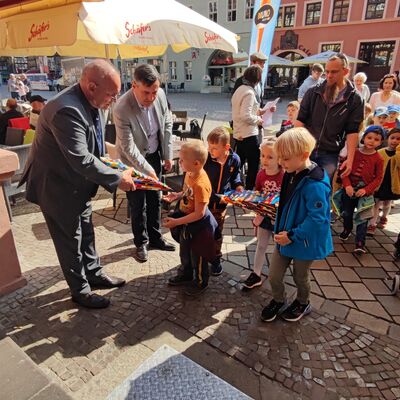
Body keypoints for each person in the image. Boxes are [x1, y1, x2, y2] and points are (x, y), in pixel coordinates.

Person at [19, 59, 136, 309]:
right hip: (57, 188)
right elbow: (81, 159)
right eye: (110, 95)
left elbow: (94, 147)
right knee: (70, 241)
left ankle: (94, 274)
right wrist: (117, 179)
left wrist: (116, 167)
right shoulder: (66, 110)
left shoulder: (92, 101)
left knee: (86, 233)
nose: (113, 101)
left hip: (76, 185)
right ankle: (80, 292)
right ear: (91, 86)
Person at [260, 127, 333, 322]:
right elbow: (287, 201)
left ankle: (303, 302)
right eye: (280, 158)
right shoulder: (291, 171)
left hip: (302, 240)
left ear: (304, 155)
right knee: (274, 276)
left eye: (285, 159)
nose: (281, 164)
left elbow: (318, 218)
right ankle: (279, 299)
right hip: (284, 236)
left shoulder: (315, 184)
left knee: (300, 277)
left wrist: (292, 235)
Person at [114, 64, 175, 262]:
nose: (151, 98)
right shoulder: (122, 108)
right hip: (132, 161)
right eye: (146, 93)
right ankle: (141, 242)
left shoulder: (160, 95)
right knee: (137, 202)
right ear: (134, 86)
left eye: (154, 92)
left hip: (154, 154)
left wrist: (167, 154)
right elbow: (129, 148)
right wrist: (148, 171)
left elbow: (167, 122)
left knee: (155, 199)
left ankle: (156, 238)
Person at [295, 53, 363, 181]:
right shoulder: (313, 91)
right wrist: (296, 147)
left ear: (346, 71)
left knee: (322, 189)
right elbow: (300, 121)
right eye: (327, 71)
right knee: (300, 187)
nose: (329, 75)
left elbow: (352, 130)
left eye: (334, 72)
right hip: (306, 150)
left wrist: (350, 159)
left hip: (330, 153)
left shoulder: (355, 98)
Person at [163, 141, 220, 296]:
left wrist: (176, 222)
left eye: (182, 160)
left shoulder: (201, 184)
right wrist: (177, 195)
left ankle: (201, 282)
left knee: (198, 255)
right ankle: (186, 274)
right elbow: (187, 192)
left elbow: (199, 213)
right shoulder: (189, 172)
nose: (179, 162)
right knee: (185, 250)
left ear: (196, 163)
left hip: (199, 225)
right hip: (187, 220)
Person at [334, 125, 384, 254]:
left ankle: (360, 242)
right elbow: (344, 170)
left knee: (363, 217)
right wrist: (347, 185)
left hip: (365, 194)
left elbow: (378, 178)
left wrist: (367, 190)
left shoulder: (379, 159)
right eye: (369, 137)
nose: (372, 141)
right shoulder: (353, 153)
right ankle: (347, 228)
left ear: (381, 141)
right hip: (349, 190)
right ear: (364, 138)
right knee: (347, 213)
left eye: (376, 139)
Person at [243, 137, 284, 289]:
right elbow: (258, 192)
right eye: (263, 156)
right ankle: (256, 273)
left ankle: (278, 273)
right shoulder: (261, 174)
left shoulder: (284, 175)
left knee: (280, 248)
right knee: (261, 245)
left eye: (270, 157)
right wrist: (255, 209)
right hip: (265, 216)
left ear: (279, 158)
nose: (265, 160)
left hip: (280, 217)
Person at [203, 127, 243, 276]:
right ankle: (200, 257)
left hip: (221, 206)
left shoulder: (235, 159)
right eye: (209, 147)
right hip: (205, 204)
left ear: (226, 147)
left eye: (214, 148)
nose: (210, 151)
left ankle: (215, 259)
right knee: (203, 232)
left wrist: (238, 186)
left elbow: (235, 177)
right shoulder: (206, 159)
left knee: (217, 233)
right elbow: (202, 182)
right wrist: (214, 196)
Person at [232, 65, 264, 189]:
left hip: (239, 133)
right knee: (253, 165)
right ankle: (249, 191)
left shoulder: (239, 89)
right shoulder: (249, 93)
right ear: (257, 79)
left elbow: (242, 111)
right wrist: (258, 120)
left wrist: (259, 111)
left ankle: (233, 186)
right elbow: (245, 115)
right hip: (248, 134)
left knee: (237, 164)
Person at [367, 127, 400, 235]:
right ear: (387, 139)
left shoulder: (399, 154)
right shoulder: (380, 152)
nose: (395, 141)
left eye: (398, 139)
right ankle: (372, 224)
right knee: (376, 203)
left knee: (387, 203)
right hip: (379, 182)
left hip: (392, 183)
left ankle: (384, 217)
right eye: (392, 138)